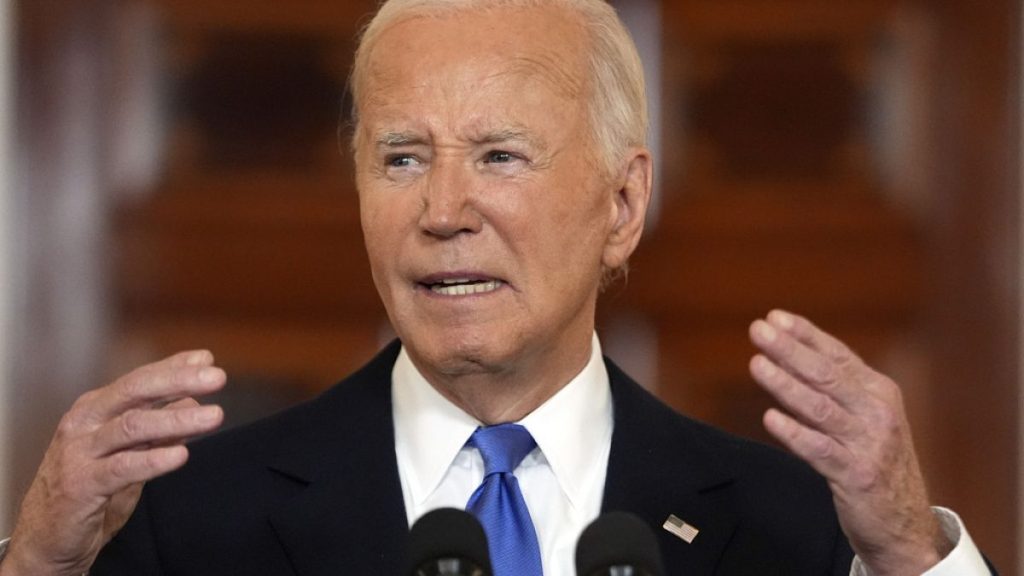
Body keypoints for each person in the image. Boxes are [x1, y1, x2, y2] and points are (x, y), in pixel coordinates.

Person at [0, 1, 996, 574]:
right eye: (399, 159)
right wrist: (36, 566)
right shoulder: (195, 523)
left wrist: (912, 554)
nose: (442, 209)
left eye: (499, 155)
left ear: (620, 201)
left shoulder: (792, 526)